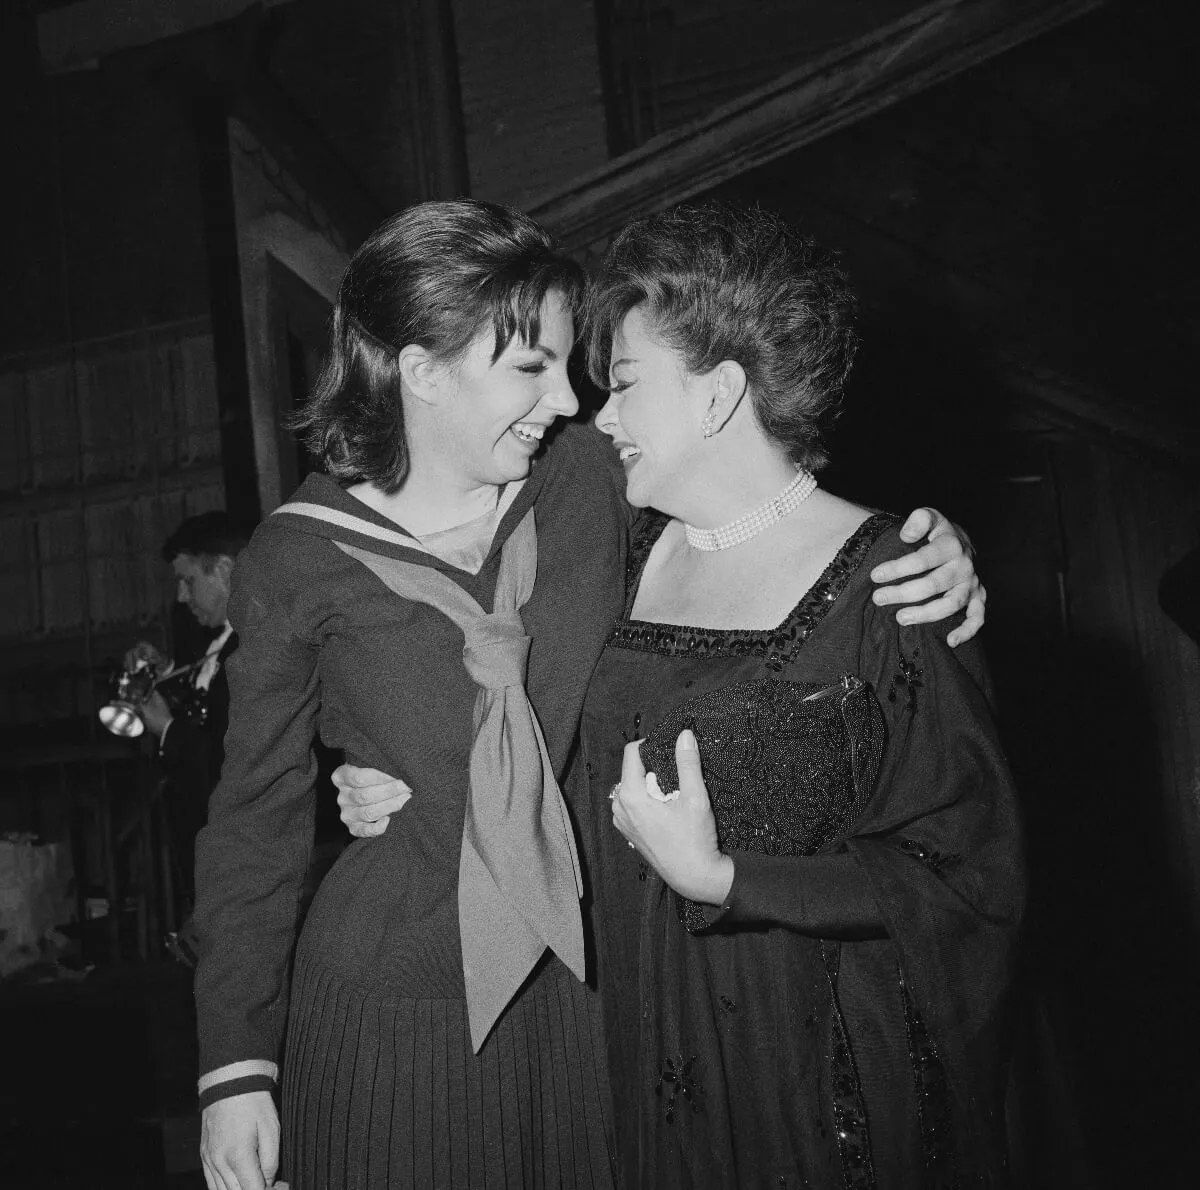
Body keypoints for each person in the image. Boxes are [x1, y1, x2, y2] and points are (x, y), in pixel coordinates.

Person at [196, 198, 982, 1190]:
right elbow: (252, 823)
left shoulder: (589, 482)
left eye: (572, 368)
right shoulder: (295, 559)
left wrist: (923, 543)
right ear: (424, 371)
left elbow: (753, 502)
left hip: (592, 997)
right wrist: (235, 1064)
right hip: (391, 1004)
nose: (566, 400)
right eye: (529, 368)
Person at [580, 204, 1023, 1187]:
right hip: (638, 1058)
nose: (600, 418)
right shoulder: (615, 553)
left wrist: (729, 879)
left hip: (817, 1093)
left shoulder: (893, 581)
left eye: (622, 385)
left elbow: (969, 876)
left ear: (719, 394)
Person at [124, 511, 248, 928]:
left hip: (240, 873)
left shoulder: (252, 652)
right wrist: (168, 672)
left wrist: (167, 729)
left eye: (189, 580)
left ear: (225, 570)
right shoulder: (225, 643)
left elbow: (225, 763)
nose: (181, 596)